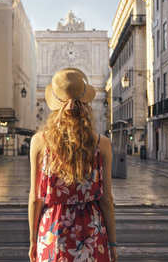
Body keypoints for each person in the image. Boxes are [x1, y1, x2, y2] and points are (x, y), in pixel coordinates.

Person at [28, 68, 117, 262]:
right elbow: (107, 200)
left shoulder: (39, 141)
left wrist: (33, 241)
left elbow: (35, 199)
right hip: (92, 234)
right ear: (86, 103)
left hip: (52, 233)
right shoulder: (102, 144)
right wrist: (113, 244)